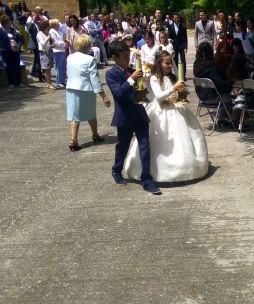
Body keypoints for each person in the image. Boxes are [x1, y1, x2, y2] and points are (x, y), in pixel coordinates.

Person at [124, 50, 209, 183]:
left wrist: (183, 90)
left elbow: (177, 92)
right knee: (162, 141)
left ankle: (185, 167)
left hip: (176, 109)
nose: (170, 66)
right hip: (161, 111)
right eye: (167, 63)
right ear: (159, 63)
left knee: (183, 139)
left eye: (171, 63)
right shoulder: (154, 78)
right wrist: (174, 88)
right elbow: (159, 96)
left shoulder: (172, 77)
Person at [106, 40, 161, 194]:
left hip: (139, 113)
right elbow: (118, 93)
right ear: (115, 58)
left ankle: (147, 179)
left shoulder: (132, 69)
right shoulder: (111, 74)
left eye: (128, 56)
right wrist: (131, 79)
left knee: (145, 145)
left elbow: (141, 89)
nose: (127, 60)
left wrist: (144, 80)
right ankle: (116, 170)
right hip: (124, 116)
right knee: (122, 147)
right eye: (124, 57)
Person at [65, 34, 110, 151]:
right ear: (88, 45)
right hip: (85, 89)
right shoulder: (90, 59)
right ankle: (94, 135)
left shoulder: (69, 57)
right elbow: (94, 80)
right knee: (91, 114)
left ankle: (73, 139)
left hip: (71, 88)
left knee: (74, 116)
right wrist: (103, 96)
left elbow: (68, 73)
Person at [0, 14, 22, 88]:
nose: (9, 23)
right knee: (9, 67)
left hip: (16, 51)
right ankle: (11, 82)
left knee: (17, 66)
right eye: (8, 22)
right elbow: (1, 43)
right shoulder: (1, 31)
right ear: (4, 23)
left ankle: (19, 82)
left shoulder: (13, 29)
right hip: (6, 52)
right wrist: (10, 48)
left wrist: (18, 47)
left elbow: (19, 39)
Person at [37, 20, 56, 89]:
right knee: (46, 69)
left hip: (49, 51)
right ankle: (49, 83)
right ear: (44, 27)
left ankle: (49, 83)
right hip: (44, 53)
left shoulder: (46, 33)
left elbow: (49, 43)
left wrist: (52, 44)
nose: (49, 29)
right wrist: (48, 37)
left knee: (49, 68)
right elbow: (42, 43)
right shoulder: (39, 34)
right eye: (48, 28)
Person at [49, 19, 67, 88]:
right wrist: (64, 44)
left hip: (61, 50)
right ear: (54, 25)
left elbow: (62, 39)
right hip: (57, 51)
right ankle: (59, 82)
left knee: (62, 67)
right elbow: (55, 43)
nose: (59, 25)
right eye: (58, 24)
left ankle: (62, 81)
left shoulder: (58, 31)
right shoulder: (52, 32)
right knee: (59, 67)